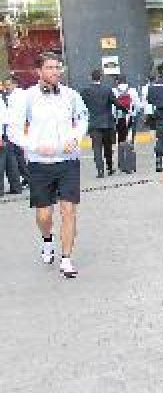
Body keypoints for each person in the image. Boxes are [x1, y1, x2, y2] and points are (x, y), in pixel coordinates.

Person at [10, 53, 88, 279]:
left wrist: (76, 137)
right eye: (50, 67)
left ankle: (66, 259)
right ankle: (47, 240)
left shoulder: (71, 95)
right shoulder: (26, 98)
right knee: (44, 215)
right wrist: (34, 146)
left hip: (68, 161)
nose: (55, 71)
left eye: (57, 67)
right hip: (40, 164)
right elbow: (14, 130)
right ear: (39, 71)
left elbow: (83, 118)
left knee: (69, 210)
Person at [80, 69, 118, 178]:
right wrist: (126, 109)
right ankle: (110, 168)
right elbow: (116, 103)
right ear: (101, 78)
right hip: (107, 123)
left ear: (90, 78)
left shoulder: (85, 91)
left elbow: (80, 106)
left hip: (94, 124)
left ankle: (100, 171)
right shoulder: (107, 89)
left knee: (96, 148)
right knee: (108, 146)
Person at [0, 74, 27, 194]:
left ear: (15, 84)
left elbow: (4, 117)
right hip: (12, 132)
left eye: (8, 85)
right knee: (13, 160)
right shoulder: (10, 96)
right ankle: (18, 185)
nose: (6, 87)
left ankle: (25, 181)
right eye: (5, 85)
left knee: (10, 160)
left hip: (10, 132)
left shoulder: (15, 96)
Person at [112, 74, 140, 144]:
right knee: (129, 135)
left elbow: (112, 105)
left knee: (120, 136)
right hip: (130, 116)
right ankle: (129, 149)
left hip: (118, 117)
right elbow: (138, 105)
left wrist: (113, 116)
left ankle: (121, 151)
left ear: (117, 81)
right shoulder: (132, 90)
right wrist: (135, 113)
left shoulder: (113, 90)